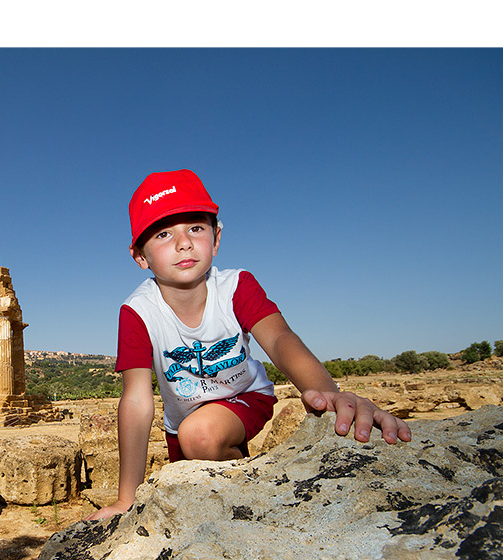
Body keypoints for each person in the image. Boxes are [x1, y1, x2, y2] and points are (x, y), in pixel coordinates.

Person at [85, 169, 412, 521]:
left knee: (203, 435)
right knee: (199, 498)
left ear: (217, 237)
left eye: (195, 227)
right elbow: (136, 398)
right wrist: (125, 499)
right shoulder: (137, 311)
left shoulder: (236, 286)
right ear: (140, 256)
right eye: (164, 234)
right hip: (181, 425)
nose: (184, 242)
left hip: (245, 397)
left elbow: (280, 338)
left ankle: (255, 506)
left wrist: (328, 393)